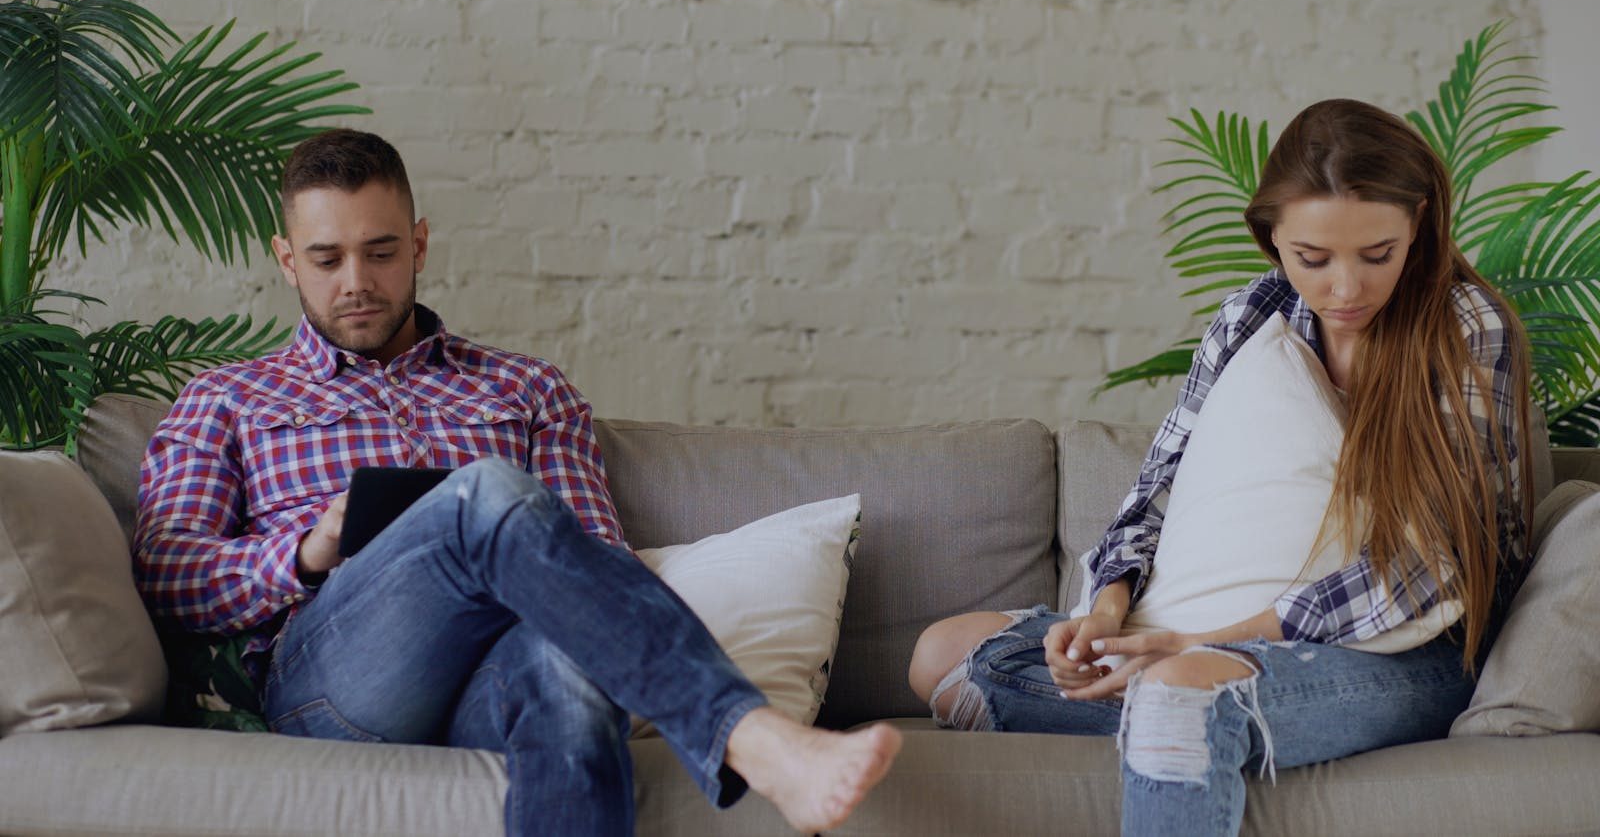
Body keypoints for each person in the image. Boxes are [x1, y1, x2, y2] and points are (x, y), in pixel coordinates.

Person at [134, 128, 900, 836]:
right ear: (286, 259)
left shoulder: (527, 389)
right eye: (328, 259)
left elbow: (594, 554)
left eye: (382, 251)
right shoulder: (230, 398)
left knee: (568, 661)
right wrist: (308, 549)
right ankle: (749, 735)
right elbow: (167, 574)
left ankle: (740, 735)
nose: (357, 282)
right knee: (484, 491)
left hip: (495, 678)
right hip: (333, 681)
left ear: (421, 245)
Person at [905, 99, 1533, 835]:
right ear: (1272, 237)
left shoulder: (1464, 328)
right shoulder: (1248, 320)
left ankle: (1189, 715)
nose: (1345, 290)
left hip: (1408, 653)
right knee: (943, 655)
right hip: (1214, 645)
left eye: (1377, 254)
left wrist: (1204, 646)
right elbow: (1154, 491)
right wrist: (1103, 616)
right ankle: (1198, 724)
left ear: (1419, 224)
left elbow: (1440, 565)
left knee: (1180, 692)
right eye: (1313, 258)